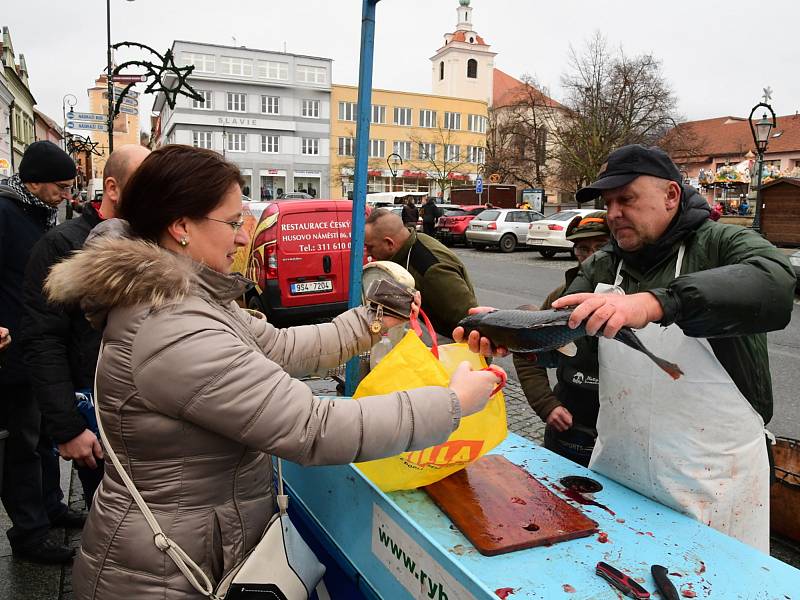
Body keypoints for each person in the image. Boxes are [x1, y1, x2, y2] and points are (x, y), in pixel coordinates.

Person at [44, 145, 501, 598]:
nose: (244, 237)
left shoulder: (183, 299)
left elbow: (280, 345)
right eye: (232, 222)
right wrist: (453, 403)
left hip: (189, 549)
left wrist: (375, 318)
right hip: (164, 576)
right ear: (181, 226)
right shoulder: (171, 326)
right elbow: (311, 427)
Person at [459, 144, 794, 551]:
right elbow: (558, 336)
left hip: (714, 479)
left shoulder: (721, 242)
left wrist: (655, 303)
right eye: (609, 202)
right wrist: (509, 334)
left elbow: (775, 282)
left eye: (627, 199)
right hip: (620, 470)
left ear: (671, 195)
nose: (613, 213)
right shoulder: (603, 265)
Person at [22, 144, 151, 511]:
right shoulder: (62, 246)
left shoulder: (154, 240)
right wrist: (67, 428)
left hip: (148, 414)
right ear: (112, 188)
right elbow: (42, 340)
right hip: (97, 417)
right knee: (115, 519)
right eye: (145, 185)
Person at [0, 140, 83, 564]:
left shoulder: (38, 212)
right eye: (62, 187)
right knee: (23, 445)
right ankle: (29, 534)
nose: (67, 196)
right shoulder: (5, 212)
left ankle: (51, 507)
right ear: (34, 180)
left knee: (46, 437)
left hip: (34, 345)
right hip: (10, 350)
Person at [513, 212, 610, 467]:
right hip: (570, 420)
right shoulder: (560, 299)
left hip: (623, 426)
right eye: (582, 248)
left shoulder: (637, 297)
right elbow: (526, 352)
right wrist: (546, 404)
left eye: (601, 247)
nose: (591, 256)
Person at [364, 208, 477, 340]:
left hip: (448, 354)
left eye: (370, 247)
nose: (367, 253)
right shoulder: (406, 247)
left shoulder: (431, 269)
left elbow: (471, 321)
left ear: (389, 243)